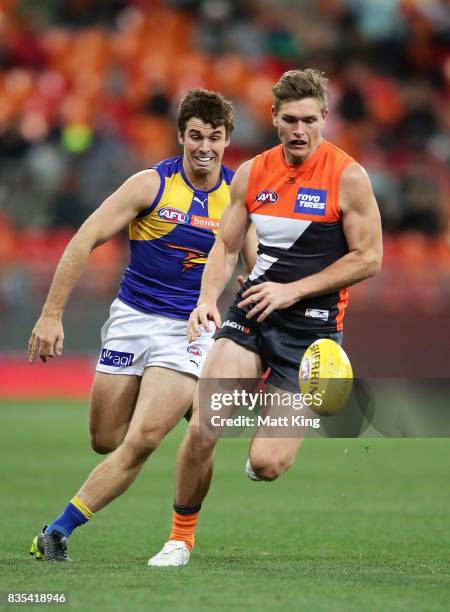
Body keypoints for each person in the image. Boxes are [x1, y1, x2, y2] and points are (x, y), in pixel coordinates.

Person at [148, 68, 383, 567]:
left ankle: (272, 428)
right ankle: (179, 539)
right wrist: (208, 298)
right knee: (206, 425)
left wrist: (291, 290)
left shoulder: (349, 177)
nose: (301, 130)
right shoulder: (254, 173)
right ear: (274, 118)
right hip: (252, 317)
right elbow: (228, 243)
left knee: (268, 464)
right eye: (291, 119)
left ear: (325, 119)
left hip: (313, 334)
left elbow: (369, 258)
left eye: (311, 120)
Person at [28, 88, 256, 562]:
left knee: (143, 439)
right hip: (131, 320)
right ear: (180, 135)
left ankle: (58, 530)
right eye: (195, 136)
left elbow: (256, 270)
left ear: (228, 139)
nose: (204, 147)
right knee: (105, 440)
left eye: (215, 137)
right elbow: (84, 238)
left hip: (189, 330)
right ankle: (191, 404)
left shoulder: (239, 199)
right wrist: (51, 315)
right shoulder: (149, 185)